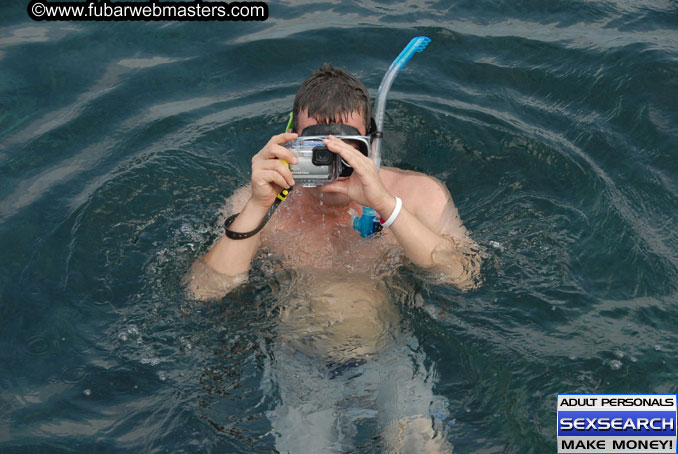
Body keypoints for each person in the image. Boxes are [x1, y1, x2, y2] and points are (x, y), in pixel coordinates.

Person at [184, 64, 481, 453]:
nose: (330, 163)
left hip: (391, 354)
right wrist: (258, 205)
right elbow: (202, 291)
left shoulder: (418, 195)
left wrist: (386, 206)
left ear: (370, 143)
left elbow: (463, 277)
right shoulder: (260, 203)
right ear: (291, 141)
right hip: (299, 365)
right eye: (316, 147)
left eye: (345, 148)